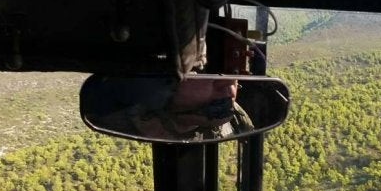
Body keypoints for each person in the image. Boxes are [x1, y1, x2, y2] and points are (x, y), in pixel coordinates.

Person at [83, 75, 254, 141]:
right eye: (204, 70)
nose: (230, 82)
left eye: (234, 71)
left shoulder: (240, 122)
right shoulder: (114, 112)